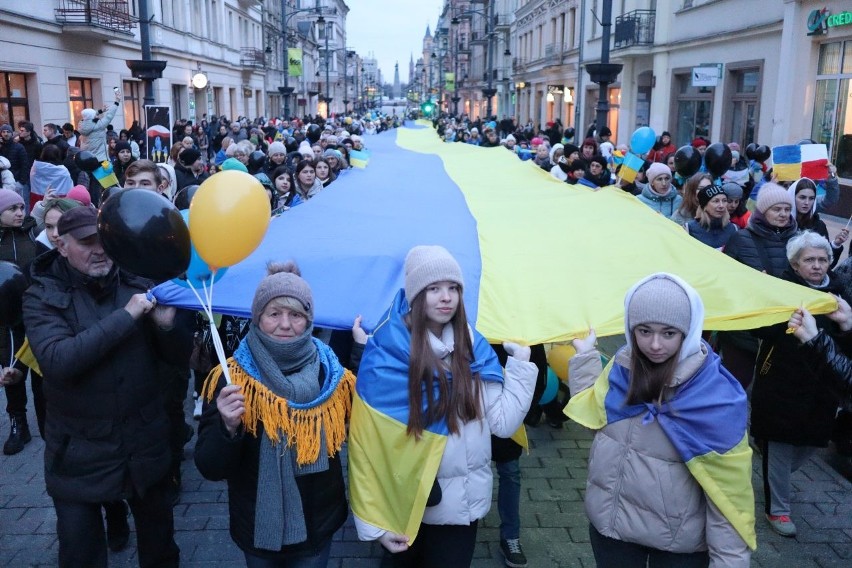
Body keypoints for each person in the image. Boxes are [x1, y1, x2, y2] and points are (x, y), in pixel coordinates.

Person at [22, 206, 191, 567]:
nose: (100, 250)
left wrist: (165, 328)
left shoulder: (138, 281)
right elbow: (59, 361)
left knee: (160, 548)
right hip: (79, 448)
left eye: (106, 242)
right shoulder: (41, 294)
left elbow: (178, 360)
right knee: (80, 552)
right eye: (87, 243)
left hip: (144, 441)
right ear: (61, 245)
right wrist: (127, 316)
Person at [350, 245, 537, 568]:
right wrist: (374, 524)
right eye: (433, 288)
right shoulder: (387, 356)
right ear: (415, 295)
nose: (446, 297)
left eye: (453, 288)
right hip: (405, 505)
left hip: (459, 511)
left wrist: (520, 366)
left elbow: (503, 424)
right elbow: (368, 448)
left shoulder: (474, 348)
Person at [566, 273, 754, 567]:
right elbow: (596, 423)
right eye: (644, 331)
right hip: (612, 530)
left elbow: (728, 497)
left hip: (678, 549)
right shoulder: (621, 369)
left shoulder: (714, 397)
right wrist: (586, 357)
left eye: (669, 333)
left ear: (688, 331)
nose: (654, 344)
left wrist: (729, 561)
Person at [195, 261, 355, 567]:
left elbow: (362, 428)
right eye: (274, 314)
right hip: (257, 527)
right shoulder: (232, 379)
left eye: (296, 315)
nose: (285, 324)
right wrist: (227, 428)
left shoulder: (331, 372)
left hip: (317, 524)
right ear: (257, 317)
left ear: (309, 320)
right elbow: (210, 467)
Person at [750, 231, 852, 537]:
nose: (817, 265)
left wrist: (845, 326)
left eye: (823, 259)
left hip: (822, 388)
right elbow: (760, 328)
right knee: (780, 442)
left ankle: (771, 475)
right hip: (782, 382)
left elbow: (847, 348)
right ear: (795, 265)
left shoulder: (838, 295)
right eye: (809, 260)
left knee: (809, 442)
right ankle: (778, 510)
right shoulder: (781, 289)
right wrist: (785, 324)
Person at [0, 189, 38, 454]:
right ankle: (18, 422)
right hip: (5, 315)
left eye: (21, 207)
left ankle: (50, 418)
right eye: (11, 209)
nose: (19, 213)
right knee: (11, 368)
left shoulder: (32, 233)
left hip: (35, 310)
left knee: (41, 369)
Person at [788, 177, 848, 268]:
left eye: (811, 198)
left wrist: (836, 244)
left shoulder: (819, 226)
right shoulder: (781, 224)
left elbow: (827, 265)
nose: (807, 202)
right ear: (792, 197)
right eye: (802, 197)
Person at [684, 183, 738, 250]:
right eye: (716, 201)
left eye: (724, 201)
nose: (721, 205)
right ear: (704, 206)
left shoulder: (733, 229)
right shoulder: (689, 229)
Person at [78, 89, 122, 162]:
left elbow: (88, 116)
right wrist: (117, 102)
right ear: (93, 116)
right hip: (100, 159)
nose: (97, 115)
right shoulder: (99, 125)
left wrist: (101, 111)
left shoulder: (81, 124)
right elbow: (109, 115)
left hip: (87, 159)